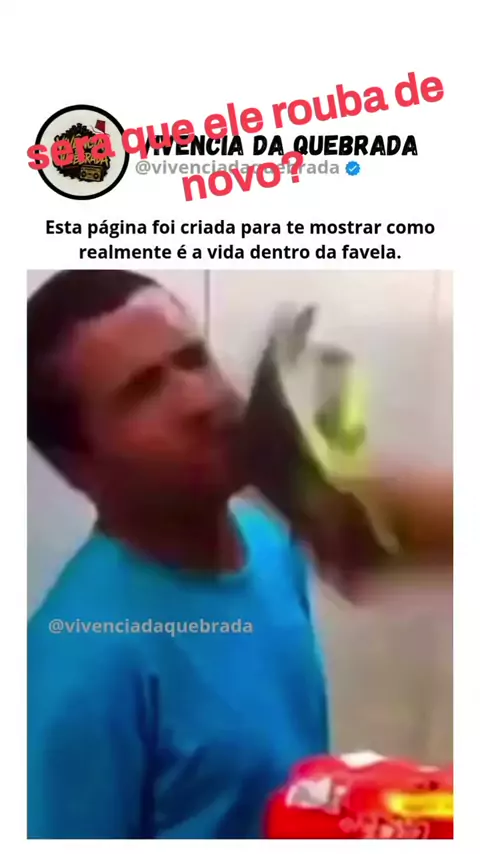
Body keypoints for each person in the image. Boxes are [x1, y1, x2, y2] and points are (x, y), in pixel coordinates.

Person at [27, 270, 330, 840]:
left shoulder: (270, 543)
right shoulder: (77, 664)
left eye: (194, 359)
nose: (201, 399)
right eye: (144, 391)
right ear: (78, 467)